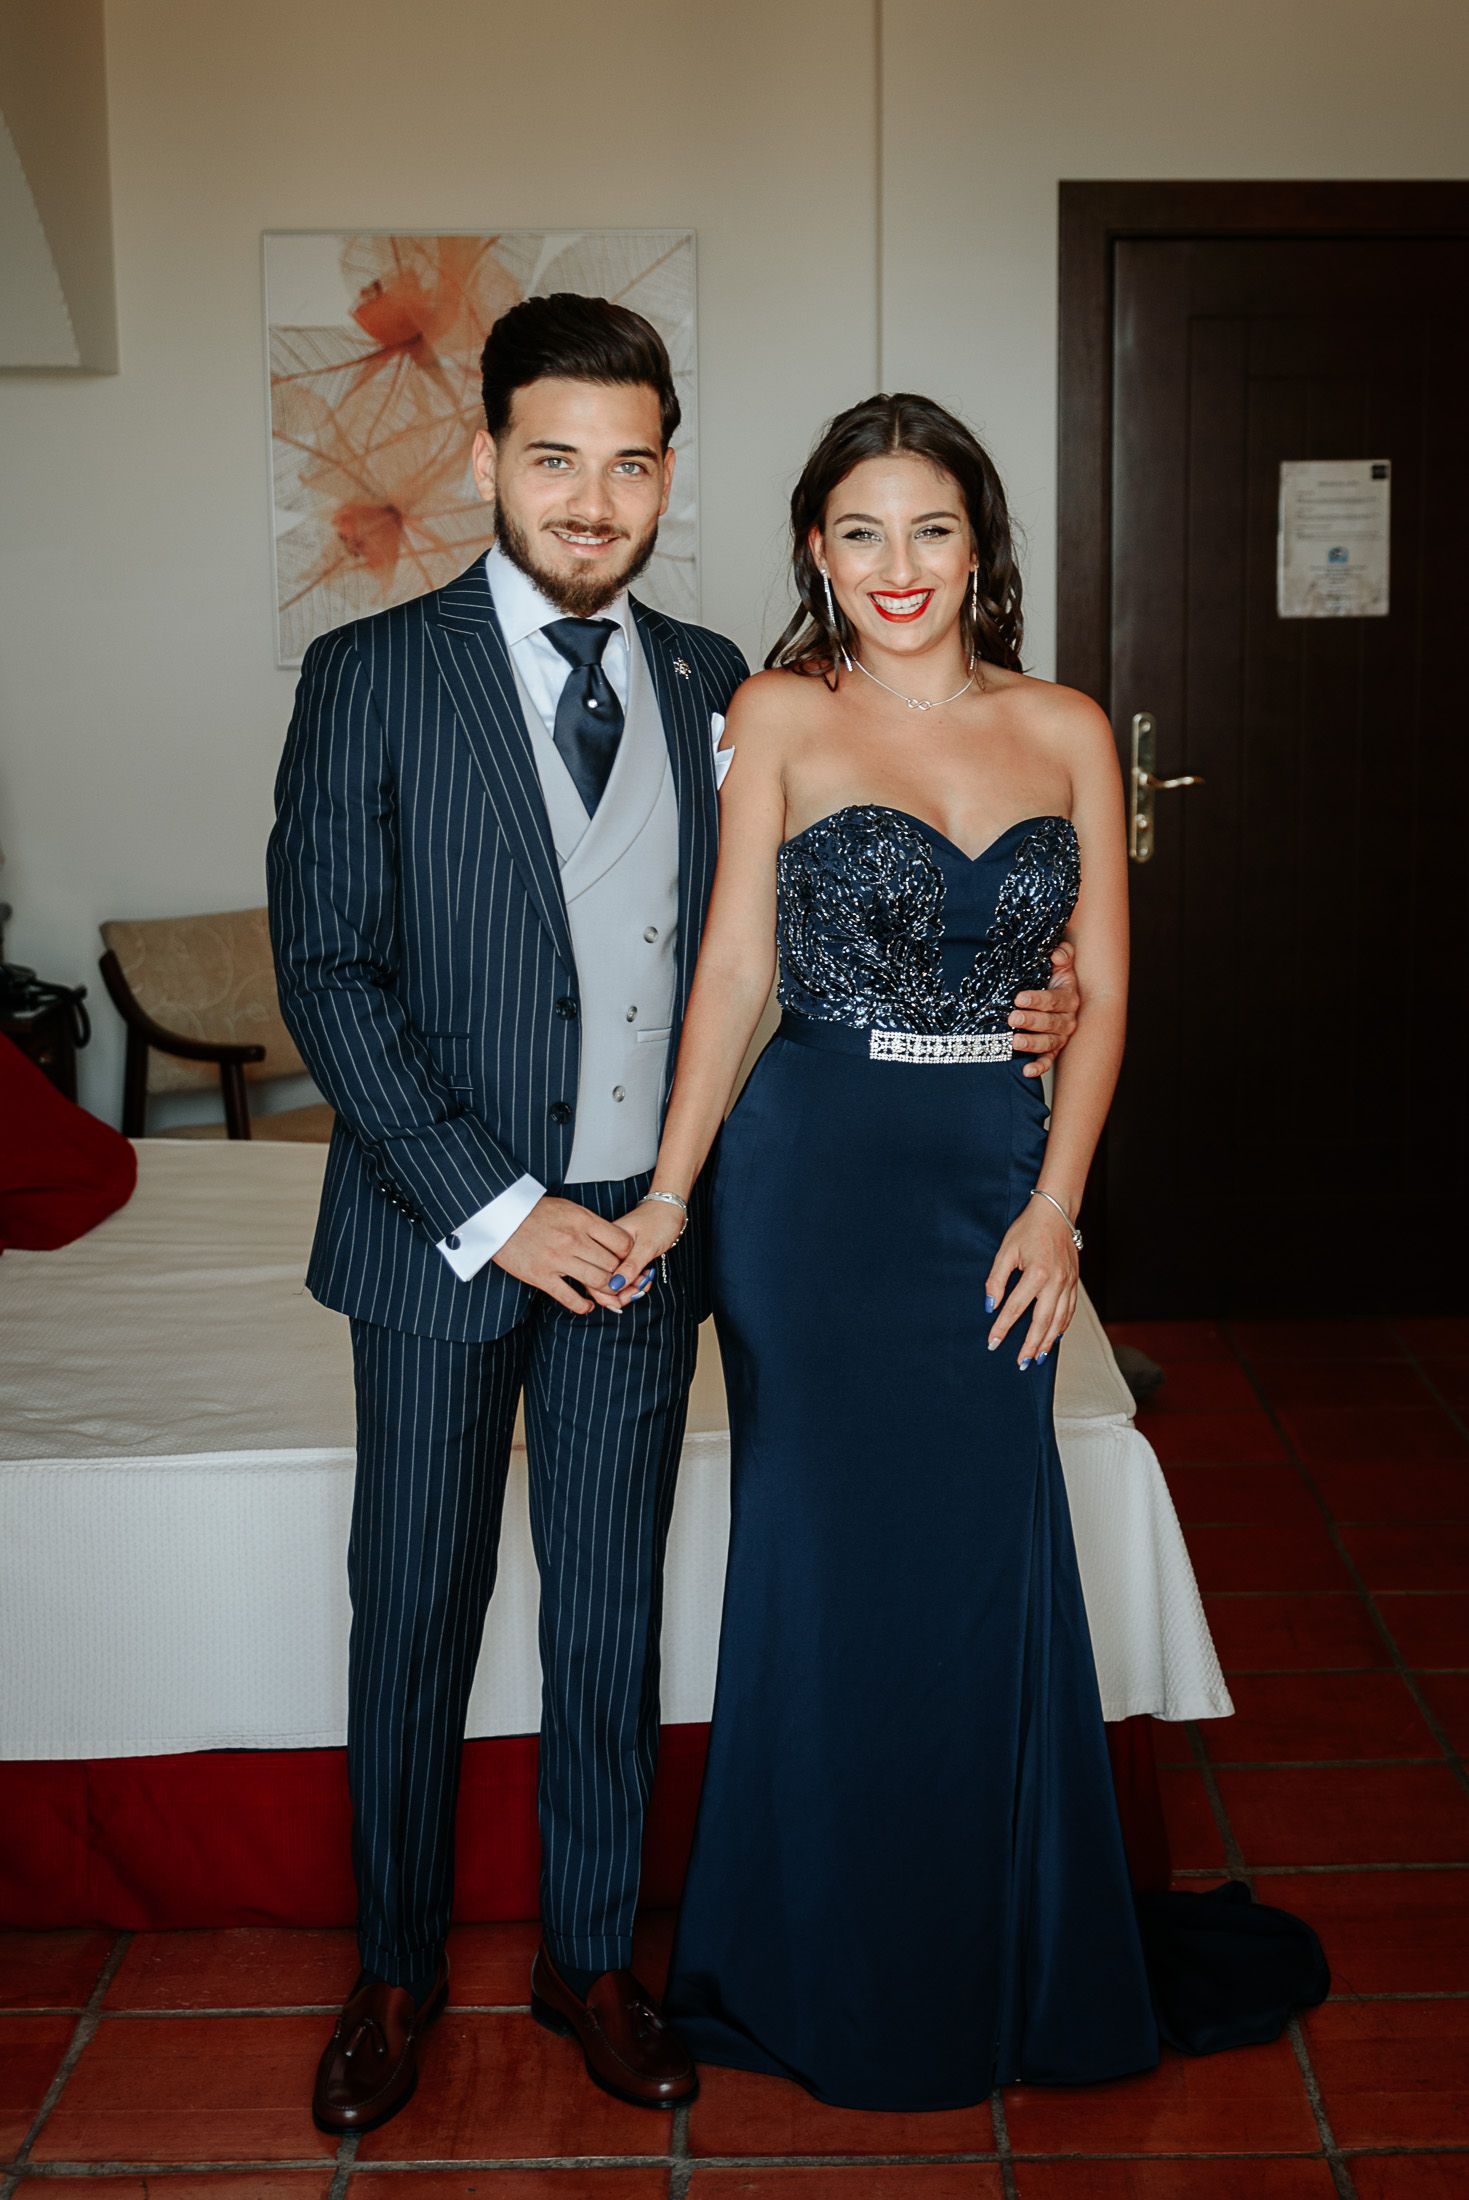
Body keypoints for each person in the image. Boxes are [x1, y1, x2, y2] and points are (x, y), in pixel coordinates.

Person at [269, 297, 1087, 2133]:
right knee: (414, 1610)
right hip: (441, 1238)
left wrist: (1024, 994)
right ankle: (393, 1973)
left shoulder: (724, 680)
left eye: (629, 463)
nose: (592, 497)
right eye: (554, 458)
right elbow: (325, 970)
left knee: (606, 1611)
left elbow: (796, 940)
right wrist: (494, 1206)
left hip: (652, 1234)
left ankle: (587, 1961)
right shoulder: (370, 673)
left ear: (665, 478)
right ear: (485, 459)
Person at [604, 392, 1159, 2109]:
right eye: (860, 532)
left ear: (977, 545)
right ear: (815, 552)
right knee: (822, 1567)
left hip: (991, 1179)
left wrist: (1058, 1203)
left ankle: (1001, 1946)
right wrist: (671, 1195)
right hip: (810, 1187)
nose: (896, 565)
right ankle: (811, 1958)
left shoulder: (1066, 724)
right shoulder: (777, 711)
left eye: (929, 529)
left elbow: (1104, 992)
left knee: (984, 1556)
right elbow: (731, 975)